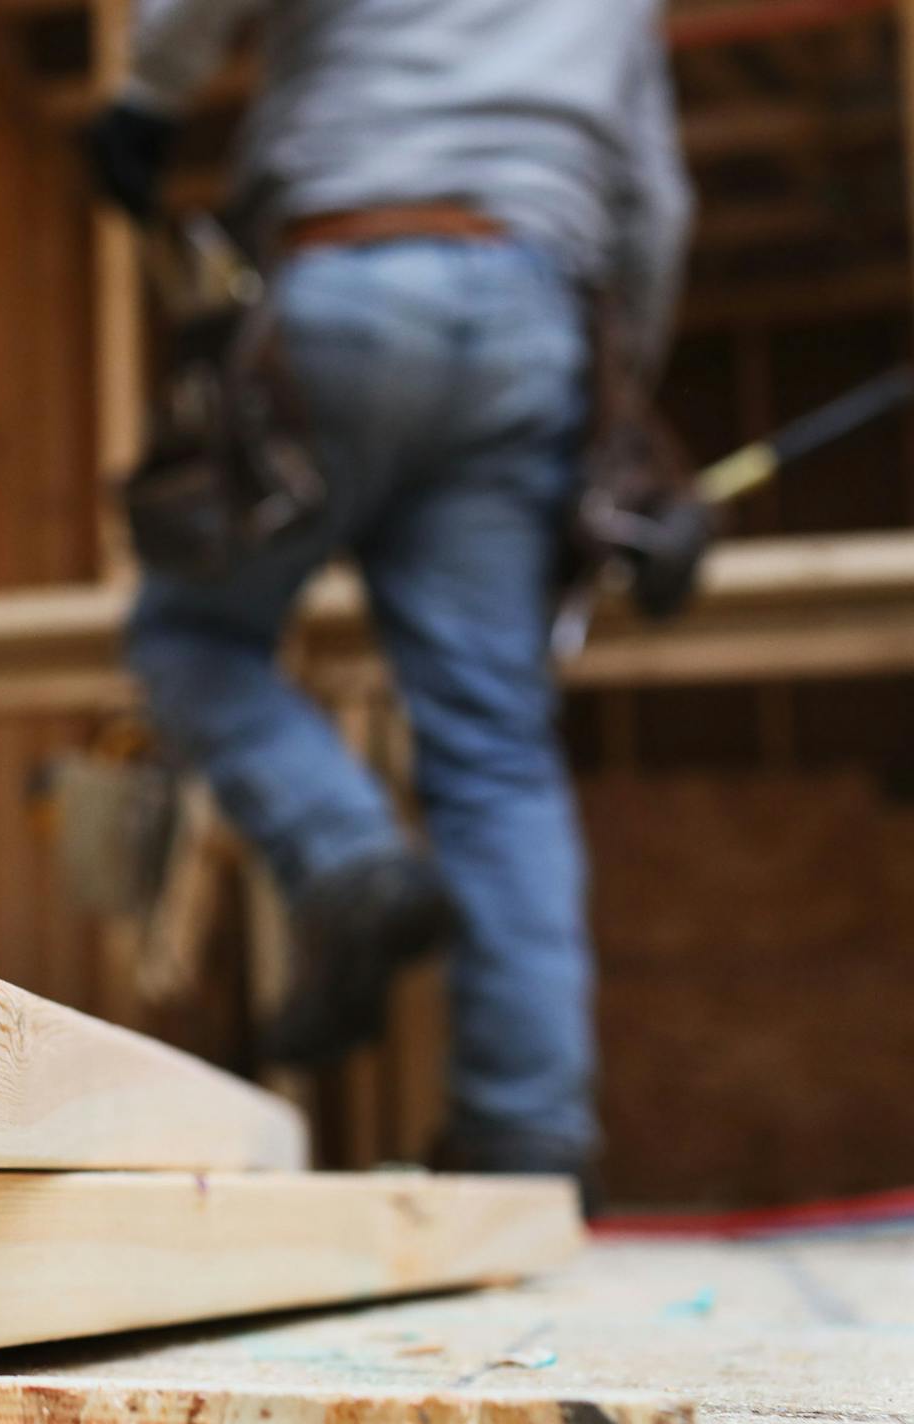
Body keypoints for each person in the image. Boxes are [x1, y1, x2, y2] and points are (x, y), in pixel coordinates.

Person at [87, 0, 693, 1188]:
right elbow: (656, 207)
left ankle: (345, 859)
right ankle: (529, 1142)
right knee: (496, 748)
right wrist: (612, 417)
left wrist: (146, 99)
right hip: (535, 320)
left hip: (346, 282)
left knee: (191, 635)